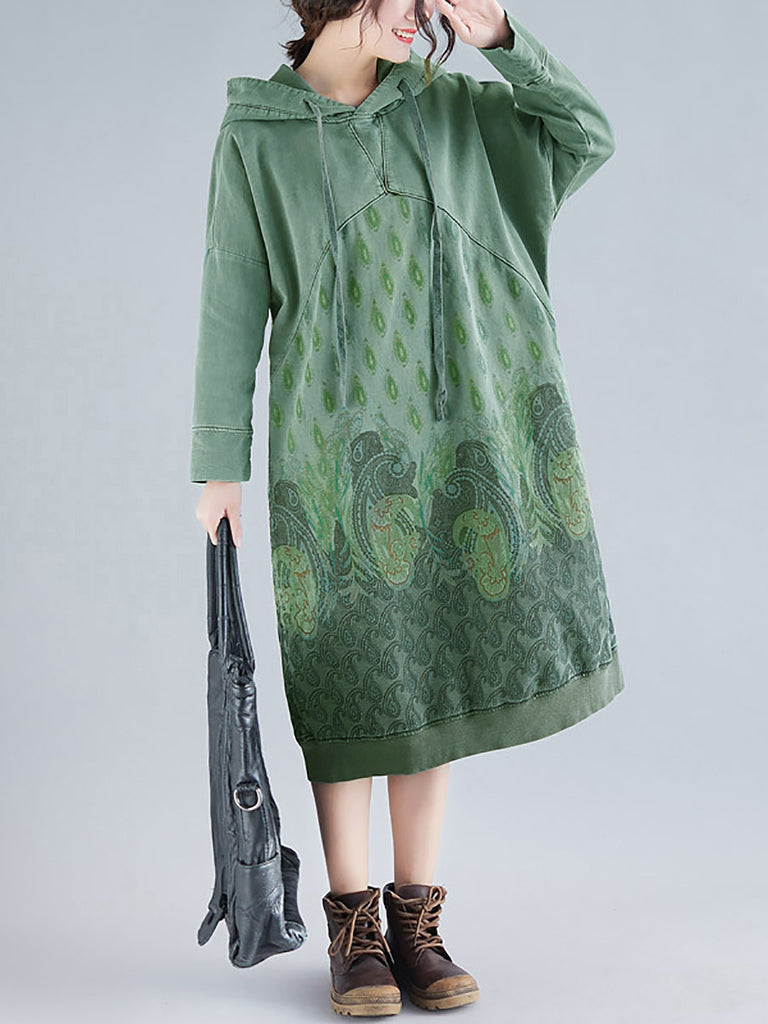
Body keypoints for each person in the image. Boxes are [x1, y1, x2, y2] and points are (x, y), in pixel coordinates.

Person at [191, 0, 625, 1014]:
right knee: (350, 683)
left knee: (435, 672)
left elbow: (587, 135)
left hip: (458, 431)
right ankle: (353, 929)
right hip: (333, 454)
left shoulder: (452, 109)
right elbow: (230, 298)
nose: (425, 11)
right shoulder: (256, 136)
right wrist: (219, 466)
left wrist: (505, 40)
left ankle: (417, 922)